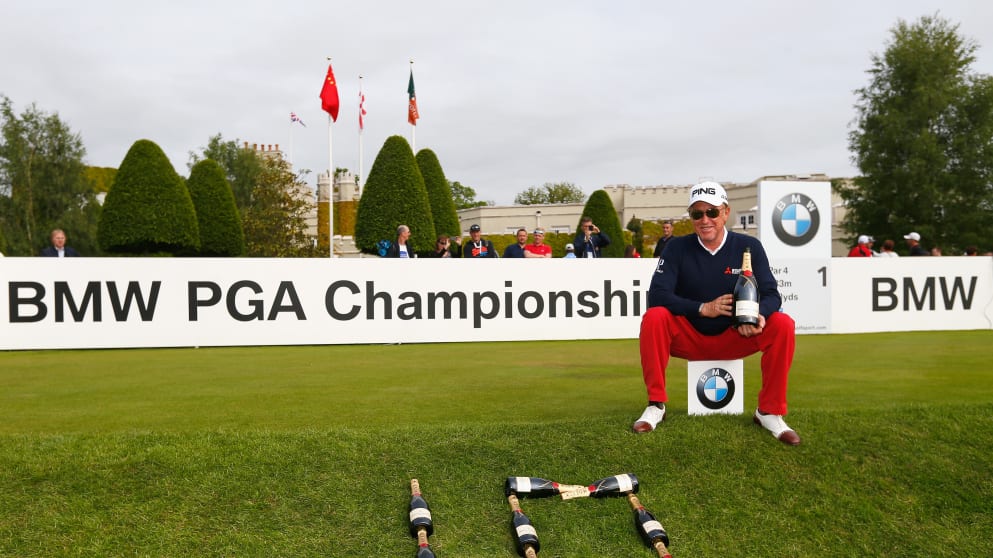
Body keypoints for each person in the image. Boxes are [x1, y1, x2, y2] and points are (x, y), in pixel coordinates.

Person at [632, 181, 800, 446]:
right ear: (691, 217)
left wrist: (759, 316)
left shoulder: (749, 247)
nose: (704, 219)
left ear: (726, 212)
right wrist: (703, 308)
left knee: (782, 323)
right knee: (654, 317)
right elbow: (658, 295)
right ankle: (656, 405)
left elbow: (771, 294)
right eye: (697, 214)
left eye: (712, 212)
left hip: (737, 335)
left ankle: (769, 411)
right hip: (690, 338)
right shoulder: (676, 247)